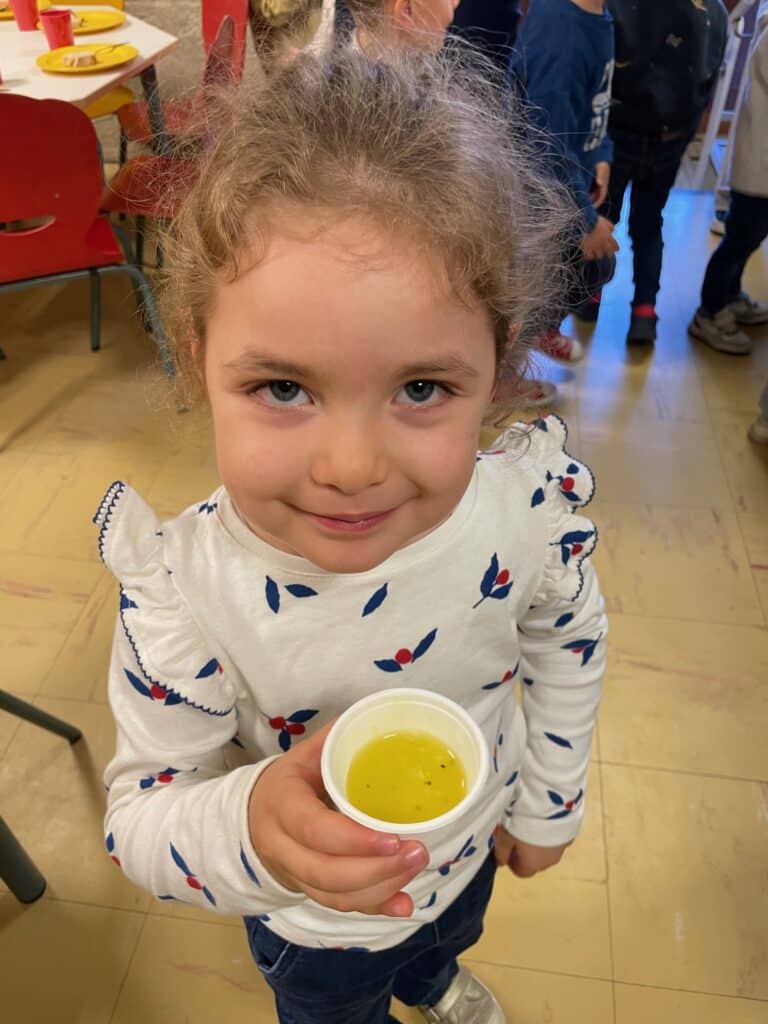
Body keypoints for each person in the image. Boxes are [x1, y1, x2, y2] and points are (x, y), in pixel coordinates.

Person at [96, 50, 607, 1024]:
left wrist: (549, 799)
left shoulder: (521, 516)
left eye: (422, 387)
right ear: (198, 358)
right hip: (315, 930)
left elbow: (569, 638)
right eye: (283, 387)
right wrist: (250, 824)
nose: (351, 467)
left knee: (444, 937)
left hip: (467, 852)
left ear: (497, 367)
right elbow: (141, 817)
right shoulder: (186, 592)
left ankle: (430, 976)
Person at [584, 0, 728, 345]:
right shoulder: (715, 13)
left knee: (603, 215)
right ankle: (644, 311)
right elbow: (706, 86)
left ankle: (590, 295)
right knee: (649, 224)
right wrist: (682, 133)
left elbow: (604, 69)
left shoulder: (624, 5)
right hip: (669, 138)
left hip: (620, 132)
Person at [507, 0, 619, 404]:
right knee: (533, 288)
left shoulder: (598, 16)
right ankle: (501, 380)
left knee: (587, 269)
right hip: (537, 195)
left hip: (563, 187)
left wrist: (600, 155)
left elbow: (595, 103)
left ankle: (539, 328)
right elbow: (547, 146)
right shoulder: (562, 34)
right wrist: (586, 222)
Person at [689, 0, 768, 354]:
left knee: (750, 238)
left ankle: (731, 295)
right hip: (759, 168)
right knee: (739, 240)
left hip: (761, 166)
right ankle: (710, 311)